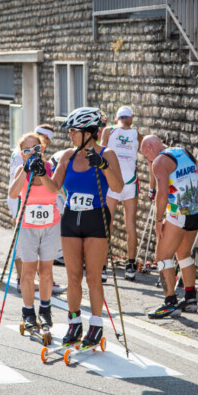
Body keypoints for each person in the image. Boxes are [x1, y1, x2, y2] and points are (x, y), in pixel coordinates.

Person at [49, 107, 123, 347]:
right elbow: (54, 187)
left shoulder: (107, 153)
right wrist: (40, 174)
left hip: (96, 218)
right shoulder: (67, 156)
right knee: (73, 276)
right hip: (71, 218)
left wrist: (103, 165)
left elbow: (118, 187)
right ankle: (74, 323)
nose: (69, 135)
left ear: (89, 132)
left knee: (93, 276)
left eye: (73, 131)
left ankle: (96, 325)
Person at [141, 135, 198, 318]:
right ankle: (190, 299)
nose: (148, 161)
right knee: (184, 254)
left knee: (162, 257)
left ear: (149, 147)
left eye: (146, 156)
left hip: (178, 214)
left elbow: (162, 194)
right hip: (195, 212)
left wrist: (158, 221)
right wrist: (196, 206)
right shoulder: (185, 152)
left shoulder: (159, 161)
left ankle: (170, 302)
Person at [9, 132, 61, 331]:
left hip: (50, 226)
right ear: (22, 154)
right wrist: (25, 170)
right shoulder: (20, 170)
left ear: (42, 149)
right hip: (27, 227)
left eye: (36, 149)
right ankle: (28, 312)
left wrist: (41, 173)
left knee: (46, 271)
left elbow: (54, 189)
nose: (32, 153)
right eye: (27, 150)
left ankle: (45, 310)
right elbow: (13, 193)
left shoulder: (50, 167)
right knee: (28, 271)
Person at [100, 106, 152, 281]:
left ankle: (103, 266)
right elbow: (151, 154)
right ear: (130, 119)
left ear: (117, 119)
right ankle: (130, 265)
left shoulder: (108, 131)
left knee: (107, 224)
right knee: (130, 224)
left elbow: (100, 154)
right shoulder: (137, 134)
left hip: (112, 183)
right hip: (130, 183)